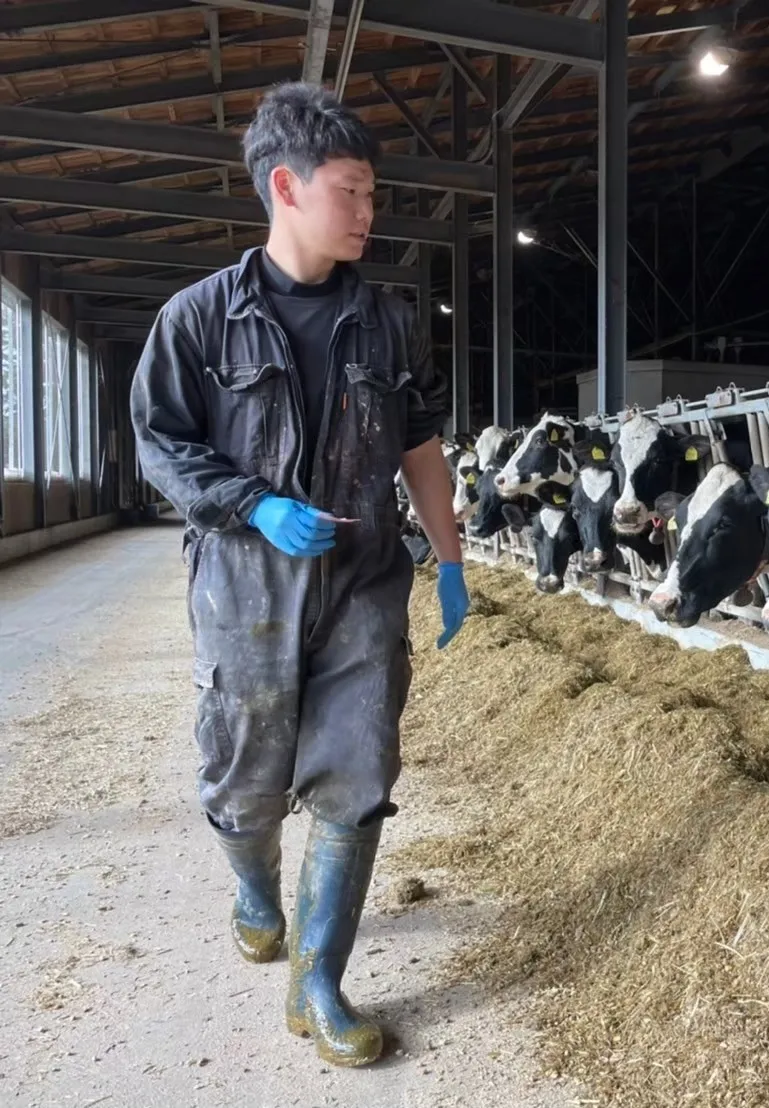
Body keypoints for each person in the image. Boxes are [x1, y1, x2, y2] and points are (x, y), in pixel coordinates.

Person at [130, 82, 469, 1067]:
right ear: (286, 185)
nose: (371, 212)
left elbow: (422, 449)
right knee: (241, 784)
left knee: (357, 775)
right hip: (243, 589)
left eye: (373, 193)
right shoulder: (197, 321)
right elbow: (158, 443)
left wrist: (447, 563)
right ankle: (249, 881)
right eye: (353, 191)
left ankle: (317, 978)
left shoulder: (388, 323)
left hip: (364, 582)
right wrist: (251, 503)